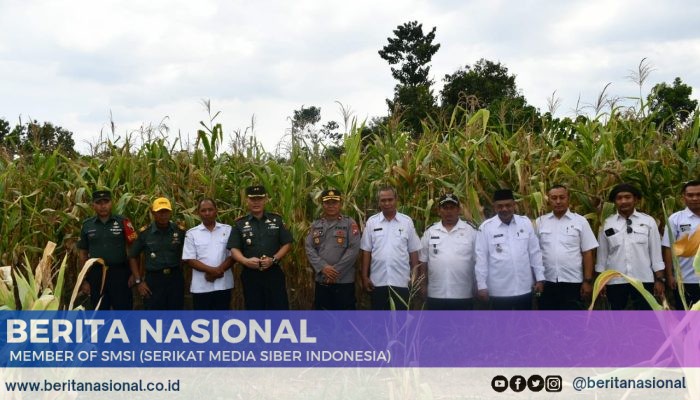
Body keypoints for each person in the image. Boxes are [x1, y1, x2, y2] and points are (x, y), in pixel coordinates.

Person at [596, 183, 665, 310]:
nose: (623, 201)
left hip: (643, 279)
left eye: (628, 197)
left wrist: (659, 280)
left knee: (644, 317)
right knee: (617, 318)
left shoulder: (648, 222)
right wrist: (600, 282)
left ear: (636, 199)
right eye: (619, 198)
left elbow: (656, 254)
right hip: (614, 281)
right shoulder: (606, 223)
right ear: (614, 202)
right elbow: (602, 256)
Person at [475, 189, 545, 310]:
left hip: (524, 288)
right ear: (494, 207)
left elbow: (535, 253)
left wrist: (540, 278)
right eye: (500, 206)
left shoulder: (525, 223)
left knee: (524, 325)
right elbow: (481, 259)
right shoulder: (486, 228)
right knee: (501, 327)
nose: (504, 209)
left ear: (514, 205)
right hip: (499, 290)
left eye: (508, 205)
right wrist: (481, 285)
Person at [228, 185, 293, 310]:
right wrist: (245, 261)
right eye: (252, 199)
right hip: (251, 274)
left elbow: (287, 243)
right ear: (247, 200)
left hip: (273, 272)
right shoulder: (239, 223)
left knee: (279, 308)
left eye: (259, 199)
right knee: (254, 309)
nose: (256, 202)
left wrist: (273, 259)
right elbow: (234, 249)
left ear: (265, 200)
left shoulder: (276, 220)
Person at [535, 185, 598, 309]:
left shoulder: (580, 222)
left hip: (573, 282)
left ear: (568, 199)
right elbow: (534, 253)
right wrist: (537, 280)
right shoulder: (540, 222)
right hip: (547, 282)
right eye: (554, 198)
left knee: (573, 321)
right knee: (548, 322)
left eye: (562, 197)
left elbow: (587, 253)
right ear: (549, 200)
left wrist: (587, 281)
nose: (558, 201)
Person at [360, 186, 421, 310]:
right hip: (377, 282)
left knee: (401, 322)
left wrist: (415, 277)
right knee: (379, 323)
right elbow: (366, 251)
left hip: (402, 281)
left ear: (396, 200)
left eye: (390, 199)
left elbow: (413, 251)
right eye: (383, 200)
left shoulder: (406, 222)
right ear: (379, 202)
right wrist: (365, 277)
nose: (387, 203)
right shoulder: (372, 222)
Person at [77, 190, 138, 310]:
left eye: (106, 202)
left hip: (120, 274)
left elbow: (134, 249)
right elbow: (82, 254)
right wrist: (83, 280)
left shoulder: (123, 222)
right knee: (99, 313)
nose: (103, 206)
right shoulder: (87, 225)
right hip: (96, 275)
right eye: (99, 203)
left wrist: (134, 275)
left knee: (124, 312)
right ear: (93, 205)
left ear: (112, 203)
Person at [418, 193, 477, 310]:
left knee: (463, 328)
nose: (448, 211)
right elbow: (423, 261)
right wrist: (423, 285)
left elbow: (478, 261)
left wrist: (478, 285)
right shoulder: (430, 232)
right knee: (437, 327)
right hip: (436, 293)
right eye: (445, 208)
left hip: (463, 294)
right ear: (439, 211)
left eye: (452, 208)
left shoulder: (471, 231)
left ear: (458, 210)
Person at [305, 189, 361, 310]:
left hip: (344, 281)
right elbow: (309, 247)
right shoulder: (316, 224)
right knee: (323, 319)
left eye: (334, 202)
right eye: (327, 203)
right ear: (322, 204)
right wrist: (323, 267)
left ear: (340, 203)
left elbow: (353, 249)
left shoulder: (349, 223)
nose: (331, 206)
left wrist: (335, 272)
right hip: (322, 279)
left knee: (346, 319)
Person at [128, 197, 186, 310]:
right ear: (153, 213)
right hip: (153, 280)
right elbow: (132, 256)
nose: (163, 215)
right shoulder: (145, 233)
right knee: (153, 316)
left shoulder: (179, 231)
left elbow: (189, 253)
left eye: (166, 212)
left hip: (175, 279)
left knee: (176, 315)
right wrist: (139, 281)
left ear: (170, 212)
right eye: (160, 212)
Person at [182, 198, 234, 310]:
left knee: (222, 321)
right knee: (202, 322)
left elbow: (233, 255)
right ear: (198, 213)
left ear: (216, 211)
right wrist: (213, 271)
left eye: (210, 210)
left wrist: (218, 271)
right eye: (203, 210)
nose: (207, 213)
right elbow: (190, 259)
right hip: (201, 286)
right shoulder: (192, 234)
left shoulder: (228, 230)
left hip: (223, 284)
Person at [662, 180, 700, 308]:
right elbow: (668, 247)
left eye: (699, 194)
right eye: (690, 195)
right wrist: (669, 275)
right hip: (685, 280)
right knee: (685, 318)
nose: (695, 198)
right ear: (683, 197)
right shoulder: (675, 219)